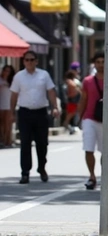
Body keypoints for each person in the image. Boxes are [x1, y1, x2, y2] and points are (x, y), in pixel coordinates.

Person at [76, 52, 108, 190]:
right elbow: (83, 99)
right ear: (94, 64)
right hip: (89, 118)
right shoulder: (87, 81)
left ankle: (104, 176)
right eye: (98, 62)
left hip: (105, 120)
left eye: (103, 61)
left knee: (105, 151)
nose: (100, 64)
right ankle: (92, 176)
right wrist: (79, 118)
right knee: (88, 148)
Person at [9, 51, 59, 184]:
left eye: (32, 60)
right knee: (25, 143)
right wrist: (11, 112)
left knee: (42, 143)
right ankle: (25, 172)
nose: (29, 62)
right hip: (25, 113)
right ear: (23, 61)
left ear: (36, 61)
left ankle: (42, 167)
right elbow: (14, 95)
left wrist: (55, 106)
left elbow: (51, 91)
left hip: (41, 112)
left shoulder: (44, 75)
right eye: (27, 60)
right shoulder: (19, 76)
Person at [0, 65, 16, 148]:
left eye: (8, 71)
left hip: (9, 104)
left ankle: (8, 140)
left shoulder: (12, 81)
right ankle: (2, 140)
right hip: (1, 104)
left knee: (8, 124)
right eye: (5, 70)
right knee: (2, 123)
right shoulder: (0, 80)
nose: (6, 72)